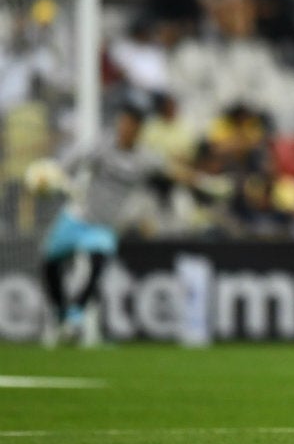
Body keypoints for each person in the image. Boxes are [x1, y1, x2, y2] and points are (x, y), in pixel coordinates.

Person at [39, 103, 194, 346]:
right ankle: (62, 314)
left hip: (104, 225)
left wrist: (202, 180)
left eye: (131, 125)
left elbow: (171, 172)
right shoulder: (100, 146)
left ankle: (75, 318)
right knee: (50, 263)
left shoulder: (145, 159)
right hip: (77, 216)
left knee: (96, 264)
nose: (125, 128)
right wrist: (52, 178)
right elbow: (66, 166)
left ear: (139, 129)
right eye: (123, 122)